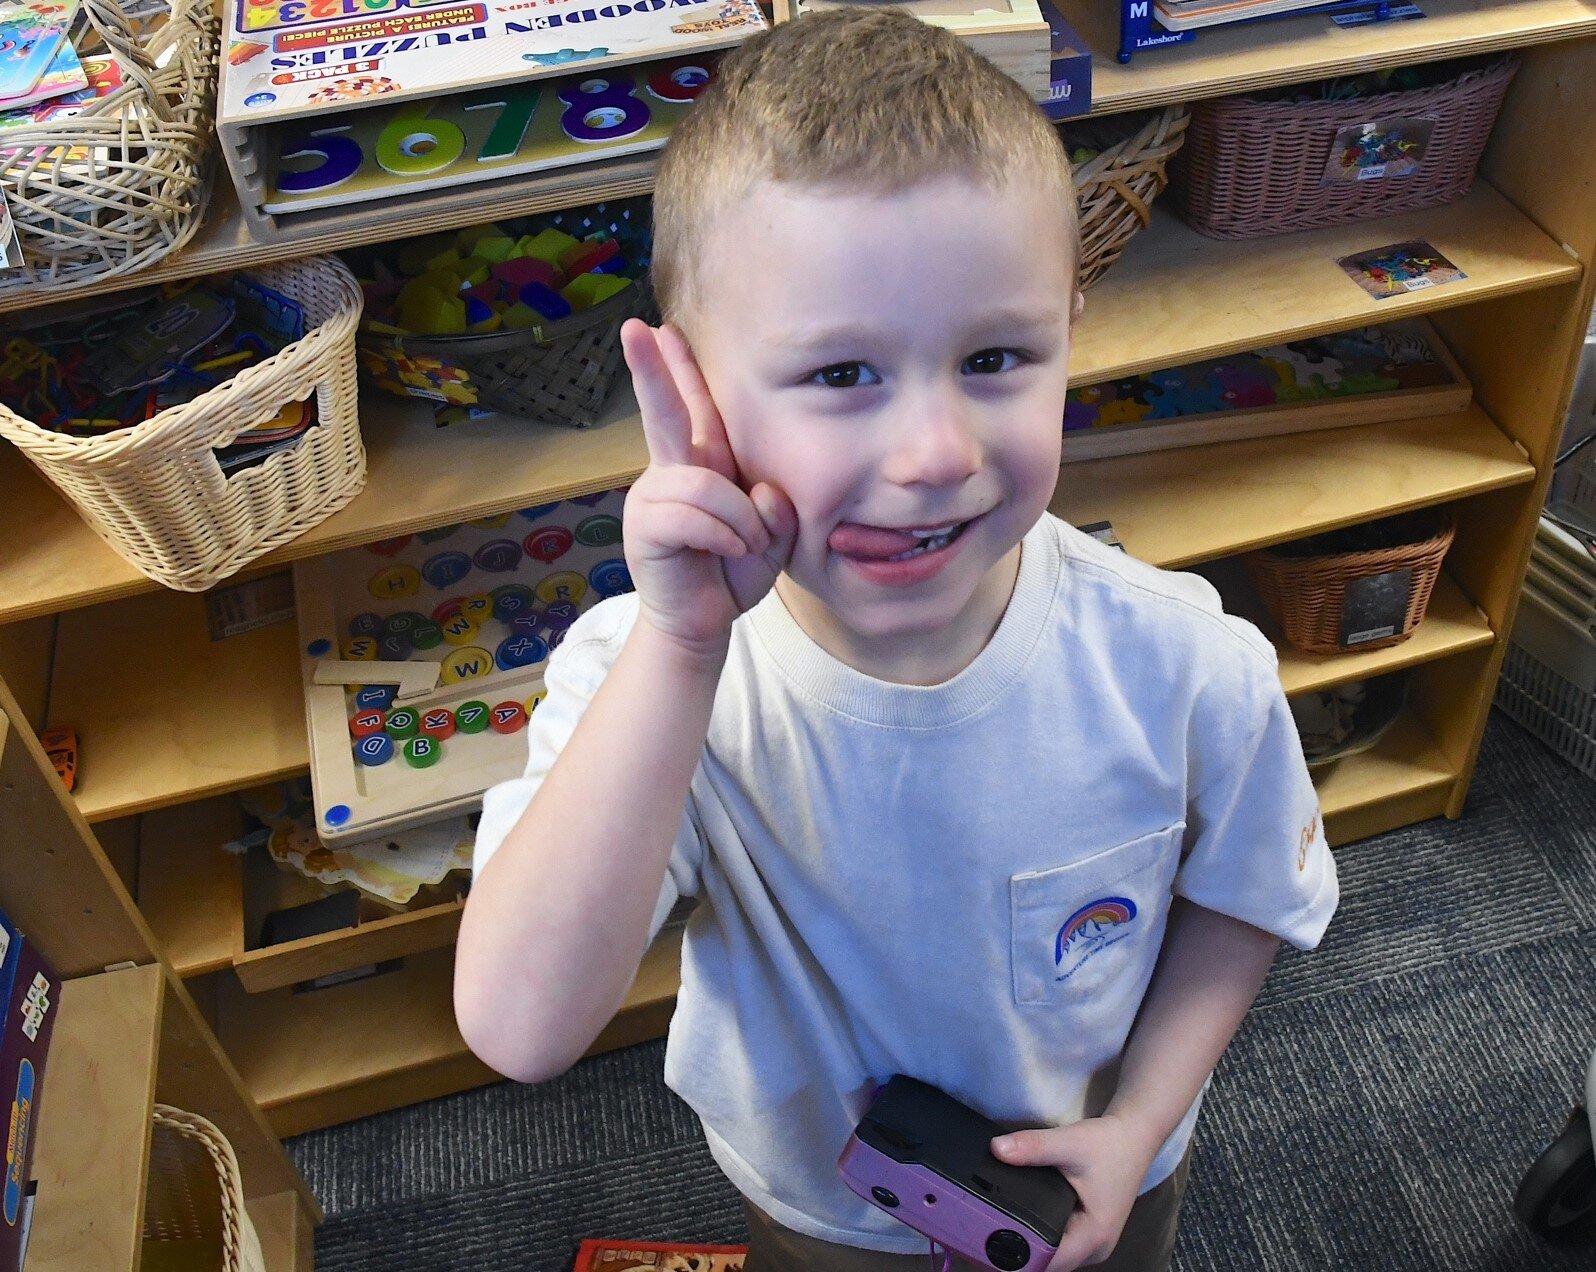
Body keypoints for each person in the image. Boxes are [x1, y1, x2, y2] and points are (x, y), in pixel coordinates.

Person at [453, 10, 1339, 1270]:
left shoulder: (1182, 663)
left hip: (1103, 1184)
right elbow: (520, 1026)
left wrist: (1138, 1126)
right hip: (824, 1210)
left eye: (994, 357)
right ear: (690, 388)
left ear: (1069, 330)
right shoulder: (647, 679)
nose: (933, 456)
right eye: (843, 375)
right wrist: (683, 651)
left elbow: (1243, 896)